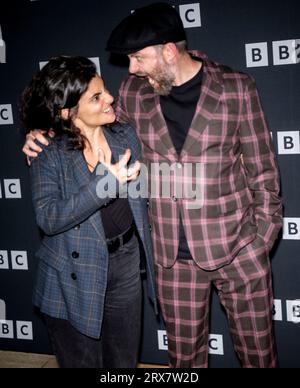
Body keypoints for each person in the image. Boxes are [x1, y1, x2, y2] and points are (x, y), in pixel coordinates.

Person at [23, 3, 283, 368]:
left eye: (138, 58)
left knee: (259, 356)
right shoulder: (133, 94)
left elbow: (264, 173)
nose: (130, 69)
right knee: (185, 362)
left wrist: (260, 242)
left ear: (169, 51)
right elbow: (86, 122)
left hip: (238, 249)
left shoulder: (237, 88)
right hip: (171, 260)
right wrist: (44, 133)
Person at [20, 55, 157, 368]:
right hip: (72, 276)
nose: (110, 98)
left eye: (105, 90)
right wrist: (105, 184)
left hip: (125, 265)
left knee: (122, 363)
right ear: (68, 112)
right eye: (97, 97)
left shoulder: (126, 136)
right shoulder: (48, 153)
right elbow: (49, 218)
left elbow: (147, 190)